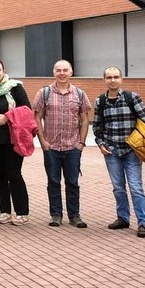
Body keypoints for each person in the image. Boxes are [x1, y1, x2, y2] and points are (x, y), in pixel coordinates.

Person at [93, 66, 145, 238]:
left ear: (121, 79)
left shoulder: (132, 97)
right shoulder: (100, 101)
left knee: (135, 187)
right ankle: (123, 218)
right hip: (111, 151)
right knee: (118, 188)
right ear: (104, 79)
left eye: (116, 77)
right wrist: (101, 143)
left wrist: (136, 141)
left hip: (132, 151)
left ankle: (143, 222)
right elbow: (97, 127)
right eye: (109, 77)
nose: (113, 80)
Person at [32, 59, 92, 228]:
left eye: (65, 70)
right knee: (53, 181)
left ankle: (75, 215)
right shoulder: (44, 93)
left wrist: (81, 143)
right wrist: (42, 141)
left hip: (72, 146)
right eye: (58, 70)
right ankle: (56, 215)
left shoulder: (79, 94)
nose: (62, 73)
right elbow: (36, 117)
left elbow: (85, 119)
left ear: (71, 72)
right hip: (51, 147)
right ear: (54, 72)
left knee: (72, 182)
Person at [0, 59, 31, 224]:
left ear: (4, 71)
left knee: (14, 174)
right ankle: (5, 211)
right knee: (0, 176)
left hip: (13, 139)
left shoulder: (15, 87)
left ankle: (22, 212)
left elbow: (26, 110)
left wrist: (7, 117)